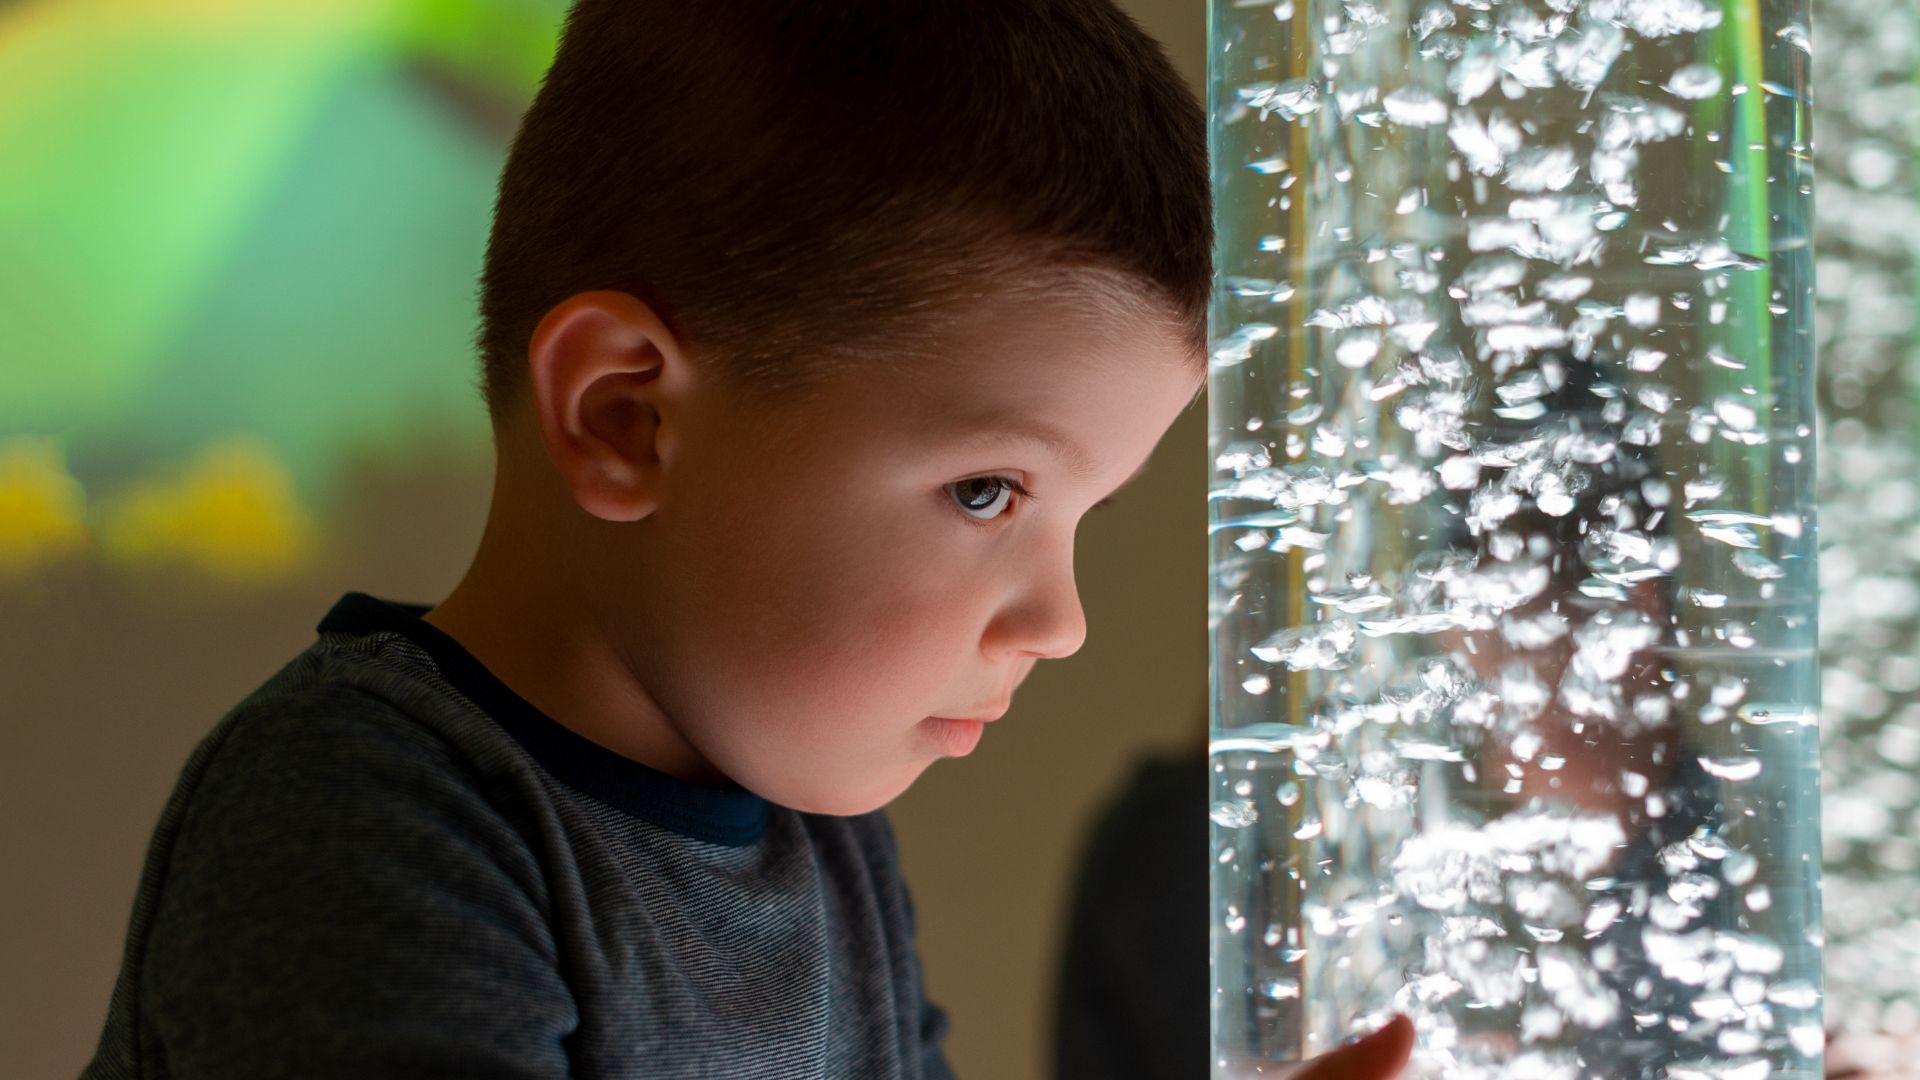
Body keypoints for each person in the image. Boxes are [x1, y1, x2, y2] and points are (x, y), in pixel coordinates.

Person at [78, 1, 1408, 1077]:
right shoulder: (366, 814)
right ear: (626, 417)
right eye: (990, 493)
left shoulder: (821, 853)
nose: (1059, 623)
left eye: (1082, 516)